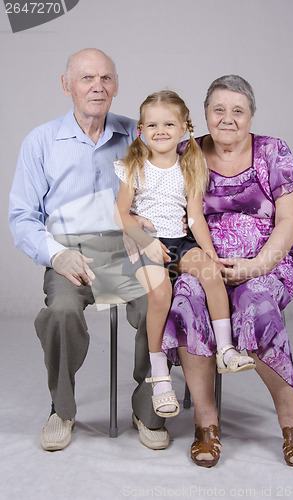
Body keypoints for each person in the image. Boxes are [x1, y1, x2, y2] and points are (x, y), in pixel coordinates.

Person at [8, 48, 169, 452]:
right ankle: (61, 409)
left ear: (116, 86)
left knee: (159, 304)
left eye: (106, 78)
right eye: (86, 78)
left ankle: (148, 409)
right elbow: (22, 216)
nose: (97, 86)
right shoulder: (41, 141)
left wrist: (142, 222)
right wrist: (56, 254)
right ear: (67, 85)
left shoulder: (138, 134)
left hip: (128, 250)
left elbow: (176, 175)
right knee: (60, 312)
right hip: (69, 253)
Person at [162, 75, 293, 468]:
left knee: (258, 304)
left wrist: (254, 266)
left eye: (237, 111)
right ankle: (206, 422)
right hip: (202, 264)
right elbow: (159, 205)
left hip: (264, 265)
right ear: (205, 115)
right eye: (218, 110)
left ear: (250, 116)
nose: (227, 118)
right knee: (186, 302)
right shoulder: (186, 153)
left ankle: (291, 418)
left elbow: (291, 222)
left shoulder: (273, 153)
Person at [114, 90, 255, 420]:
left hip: (180, 241)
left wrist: (209, 253)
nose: (160, 130)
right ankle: (160, 375)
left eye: (168, 124)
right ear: (141, 129)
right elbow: (120, 213)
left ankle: (225, 349)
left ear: (183, 128)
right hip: (146, 244)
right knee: (161, 296)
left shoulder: (189, 164)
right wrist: (144, 241)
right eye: (152, 125)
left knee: (210, 275)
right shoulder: (133, 166)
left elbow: (194, 217)